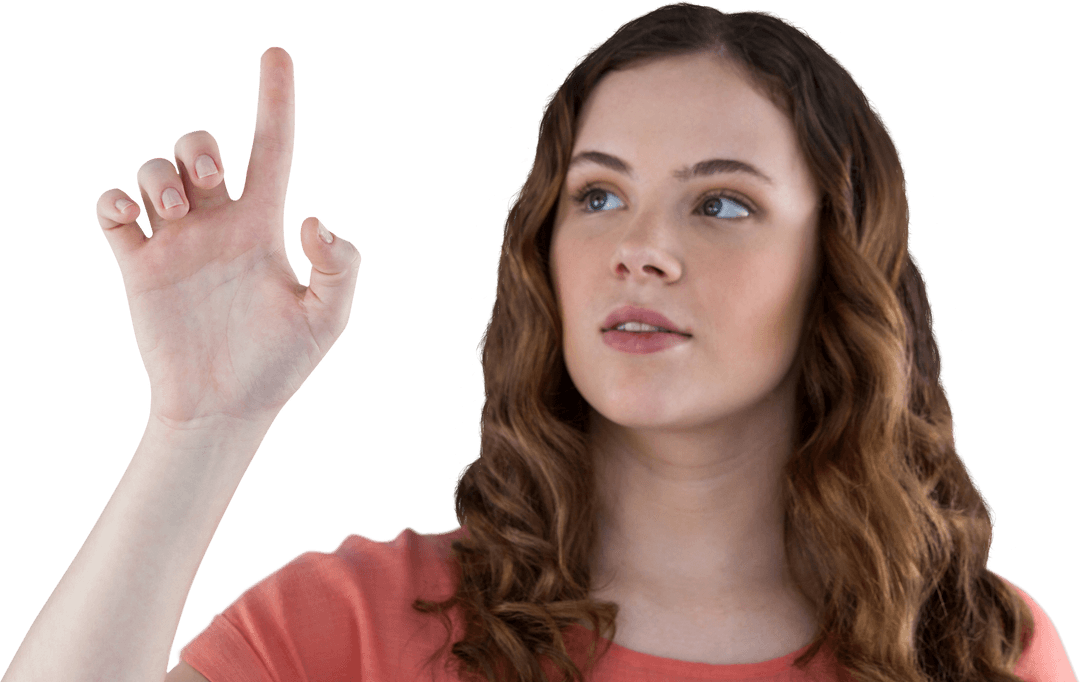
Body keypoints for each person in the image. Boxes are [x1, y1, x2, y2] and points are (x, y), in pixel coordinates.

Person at [3, 3, 1076, 682]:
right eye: (599, 194)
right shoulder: (363, 626)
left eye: (724, 205)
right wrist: (201, 423)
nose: (640, 249)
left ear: (837, 266)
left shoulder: (976, 646)